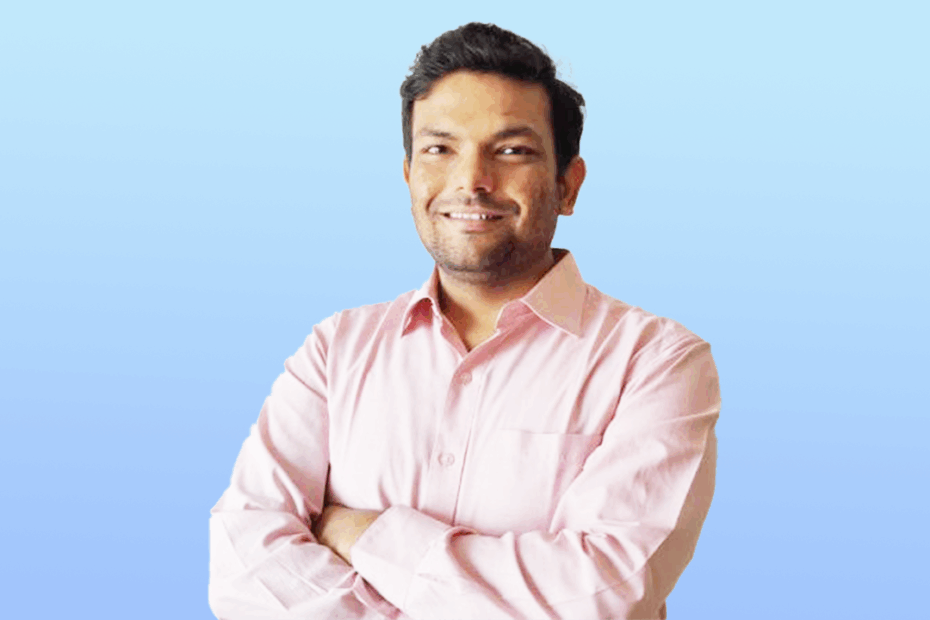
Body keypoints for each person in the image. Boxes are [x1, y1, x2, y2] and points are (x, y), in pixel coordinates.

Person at [209, 22, 720, 620]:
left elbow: (604, 594)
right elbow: (244, 567)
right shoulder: (335, 350)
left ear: (567, 185)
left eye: (511, 150)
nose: (471, 180)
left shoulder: (657, 362)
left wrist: (363, 534)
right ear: (409, 177)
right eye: (440, 149)